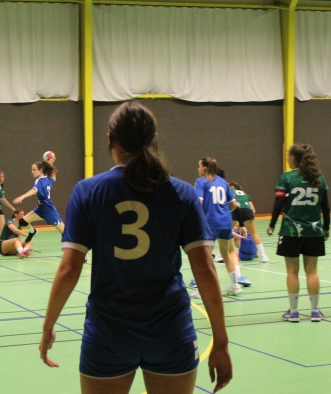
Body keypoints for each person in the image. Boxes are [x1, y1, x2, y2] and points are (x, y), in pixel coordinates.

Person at [39, 101, 232, 394]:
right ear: (154, 140)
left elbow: (69, 270)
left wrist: (48, 326)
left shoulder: (88, 192)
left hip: (108, 334)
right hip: (170, 333)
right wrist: (221, 341)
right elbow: (204, 268)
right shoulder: (181, 193)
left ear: (110, 140)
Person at [267, 144, 330, 323]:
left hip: (290, 231)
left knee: (292, 272)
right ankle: (315, 311)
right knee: (312, 271)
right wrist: (326, 227)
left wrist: (272, 224)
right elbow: (325, 207)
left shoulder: (286, 178)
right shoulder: (319, 180)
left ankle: (294, 312)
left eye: (288, 155)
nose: (287, 157)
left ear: (293, 158)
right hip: (314, 231)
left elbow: (278, 204)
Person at [193, 158, 250, 297]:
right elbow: (234, 204)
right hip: (225, 221)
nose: (197, 169)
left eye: (199, 166)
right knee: (227, 254)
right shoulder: (223, 182)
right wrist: (222, 213)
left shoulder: (201, 182)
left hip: (210, 223)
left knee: (205, 257)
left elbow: (198, 202)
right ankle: (236, 286)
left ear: (205, 168)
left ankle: (204, 289)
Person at [13, 159, 64, 242]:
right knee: (22, 221)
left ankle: (83, 253)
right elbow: (54, 177)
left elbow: (34, 190)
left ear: (40, 171)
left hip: (49, 210)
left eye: (34, 170)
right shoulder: (48, 179)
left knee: (65, 233)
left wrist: (22, 197)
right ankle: (33, 232)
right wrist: (51, 164)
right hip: (41, 209)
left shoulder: (40, 181)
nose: (32, 172)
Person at [228, 182, 269, 262]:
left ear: (232, 187)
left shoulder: (229, 191)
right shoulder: (245, 194)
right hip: (247, 211)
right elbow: (253, 210)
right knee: (254, 233)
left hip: (235, 209)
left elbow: (231, 205)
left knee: (226, 232)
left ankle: (220, 255)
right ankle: (263, 256)